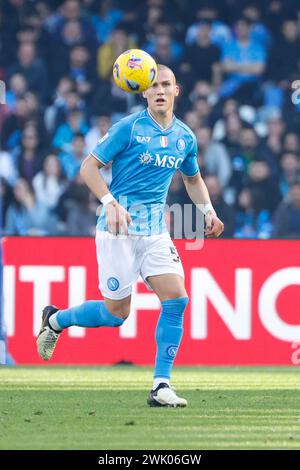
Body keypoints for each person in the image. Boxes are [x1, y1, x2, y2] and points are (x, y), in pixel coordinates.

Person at [37, 65, 224, 407]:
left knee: (177, 299)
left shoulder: (185, 137)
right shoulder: (128, 128)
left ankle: (160, 385)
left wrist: (208, 211)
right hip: (117, 231)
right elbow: (88, 167)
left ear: (177, 90)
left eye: (166, 85)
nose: (160, 91)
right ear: (143, 92)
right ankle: (56, 319)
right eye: (154, 87)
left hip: (154, 232)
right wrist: (109, 202)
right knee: (115, 315)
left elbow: (192, 179)